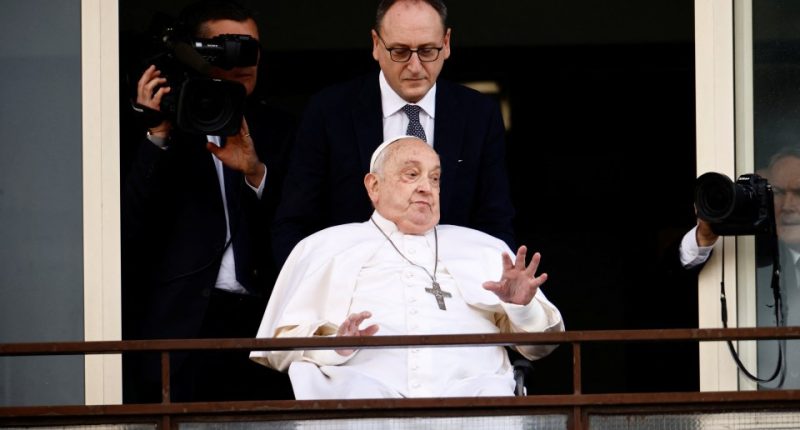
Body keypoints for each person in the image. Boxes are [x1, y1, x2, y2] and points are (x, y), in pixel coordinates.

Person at [251, 136, 563, 399]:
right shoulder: (324, 246)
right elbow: (277, 349)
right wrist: (335, 346)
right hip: (360, 402)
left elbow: (541, 348)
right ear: (374, 186)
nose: (427, 187)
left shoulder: (485, 248)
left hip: (473, 402)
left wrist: (522, 308)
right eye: (411, 174)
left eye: (435, 178)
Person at [122, 0, 294, 402]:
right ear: (194, 55)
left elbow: (301, 228)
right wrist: (156, 135)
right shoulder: (161, 123)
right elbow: (129, 226)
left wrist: (255, 174)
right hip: (180, 327)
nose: (244, 60)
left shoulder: (282, 129)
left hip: (261, 326)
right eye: (228, 48)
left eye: (251, 48)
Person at [271, 0, 515, 266]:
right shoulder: (329, 111)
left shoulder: (479, 114)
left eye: (427, 51)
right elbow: (295, 223)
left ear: (446, 43)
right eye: (400, 51)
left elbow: (495, 223)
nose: (414, 66)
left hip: (449, 281)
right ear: (376, 44)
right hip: (353, 282)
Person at [678, 146, 800, 388]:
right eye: (777, 192)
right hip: (758, 398)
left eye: (799, 193)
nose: (788, 205)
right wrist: (705, 234)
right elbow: (670, 285)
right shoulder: (752, 257)